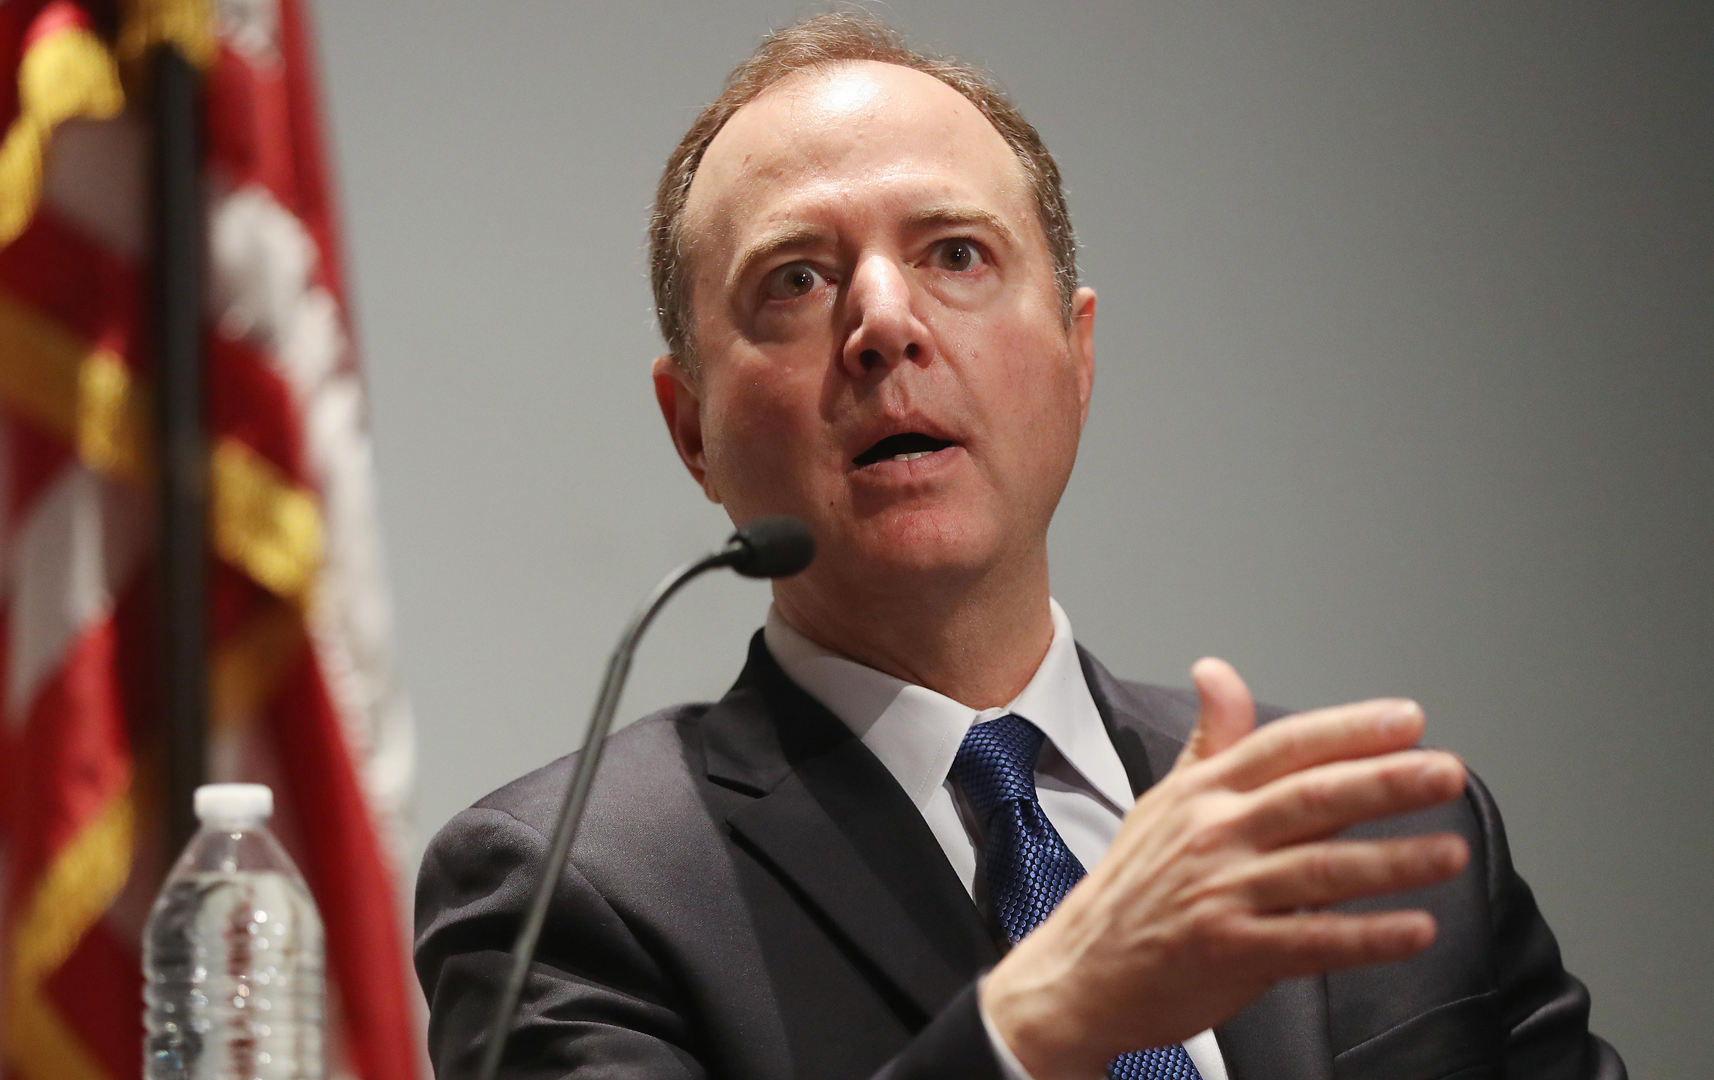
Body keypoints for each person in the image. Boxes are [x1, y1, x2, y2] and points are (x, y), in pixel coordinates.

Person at [413, 13, 1623, 1080]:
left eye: (956, 253)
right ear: (692, 430)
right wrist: (1038, 1027)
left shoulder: (1381, 841)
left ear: (1077, 356)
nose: (885, 323)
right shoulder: (573, 891)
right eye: (795, 279)